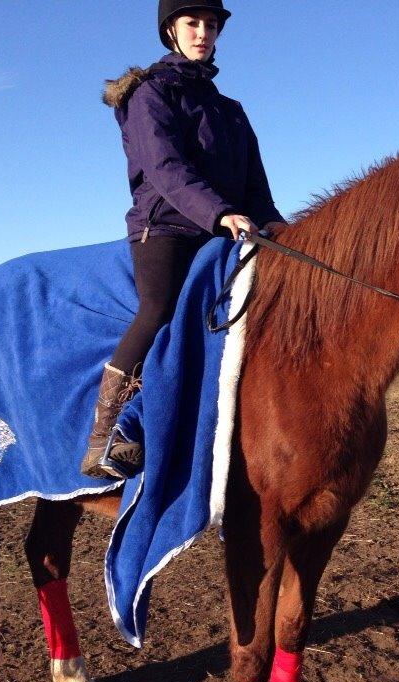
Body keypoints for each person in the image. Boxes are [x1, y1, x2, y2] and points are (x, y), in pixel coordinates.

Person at [81, 0, 286, 478]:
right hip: (167, 226)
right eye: (192, 23)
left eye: (211, 24)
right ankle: (107, 436)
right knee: (158, 308)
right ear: (170, 30)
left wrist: (279, 228)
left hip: (228, 229)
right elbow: (166, 168)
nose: (203, 32)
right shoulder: (150, 93)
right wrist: (219, 212)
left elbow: (256, 187)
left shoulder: (231, 111)